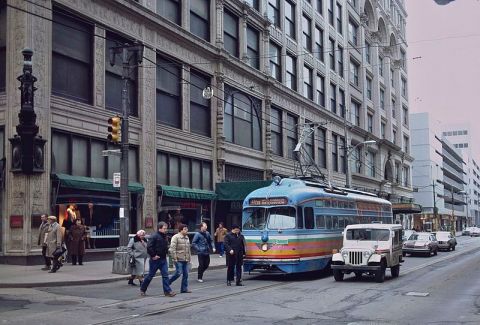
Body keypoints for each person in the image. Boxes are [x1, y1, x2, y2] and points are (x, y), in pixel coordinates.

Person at [140, 222, 175, 297]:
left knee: (165, 275)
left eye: (166, 228)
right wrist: (153, 255)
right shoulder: (154, 236)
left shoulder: (165, 236)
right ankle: (143, 289)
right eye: (164, 228)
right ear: (160, 228)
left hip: (163, 259)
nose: (166, 230)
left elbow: (165, 246)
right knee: (150, 275)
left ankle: (167, 291)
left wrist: (167, 251)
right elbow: (149, 247)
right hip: (155, 260)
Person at [169, 224, 191, 293]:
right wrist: (174, 258)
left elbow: (188, 249)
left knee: (186, 274)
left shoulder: (187, 237)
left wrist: (189, 258)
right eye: (185, 229)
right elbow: (172, 248)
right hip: (178, 259)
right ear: (181, 230)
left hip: (186, 259)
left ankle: (184, 289)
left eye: (187, 229)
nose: (186, 230)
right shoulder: (175, 237)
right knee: (178, 273)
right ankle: (168, 282)